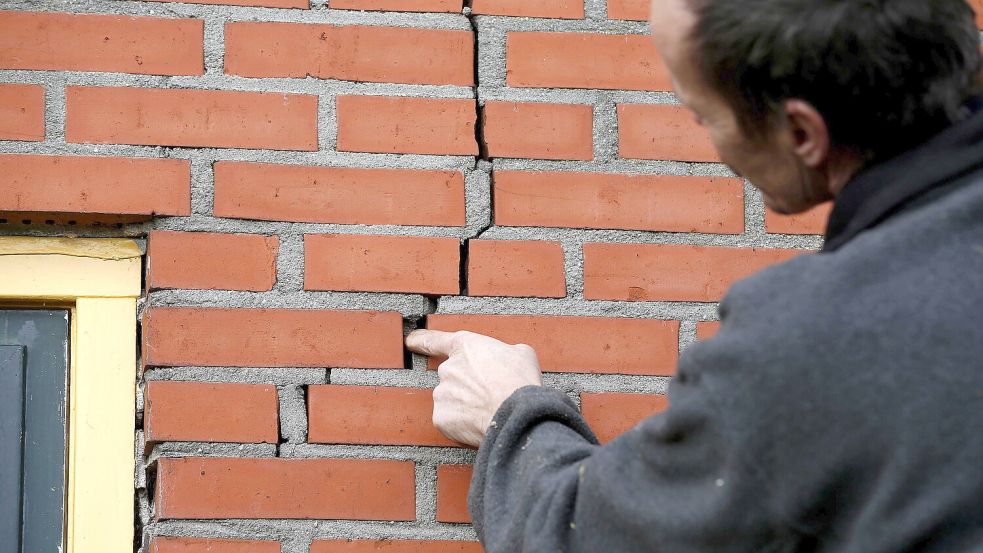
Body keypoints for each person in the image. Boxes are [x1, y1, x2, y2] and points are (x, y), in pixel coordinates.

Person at [406, 0, 983, 550]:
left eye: (705, 115)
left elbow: (590, 539)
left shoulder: (817, 334)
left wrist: (509, 414)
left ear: (802, 134)